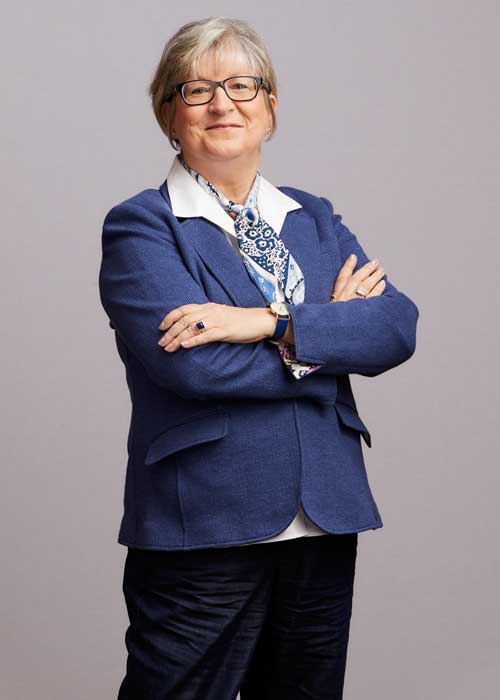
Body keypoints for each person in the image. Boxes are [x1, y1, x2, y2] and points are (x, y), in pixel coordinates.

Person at [98, 16, 419, 700]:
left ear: (271, 107)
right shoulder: (141, 226)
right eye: (197, 89)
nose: (224, 104)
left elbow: (394, 327)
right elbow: (192, 367)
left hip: (326, 513)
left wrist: (260, 322)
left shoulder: (313, 217)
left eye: (244, 85)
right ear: (168, 112)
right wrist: (327, 336)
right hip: (206, 521)